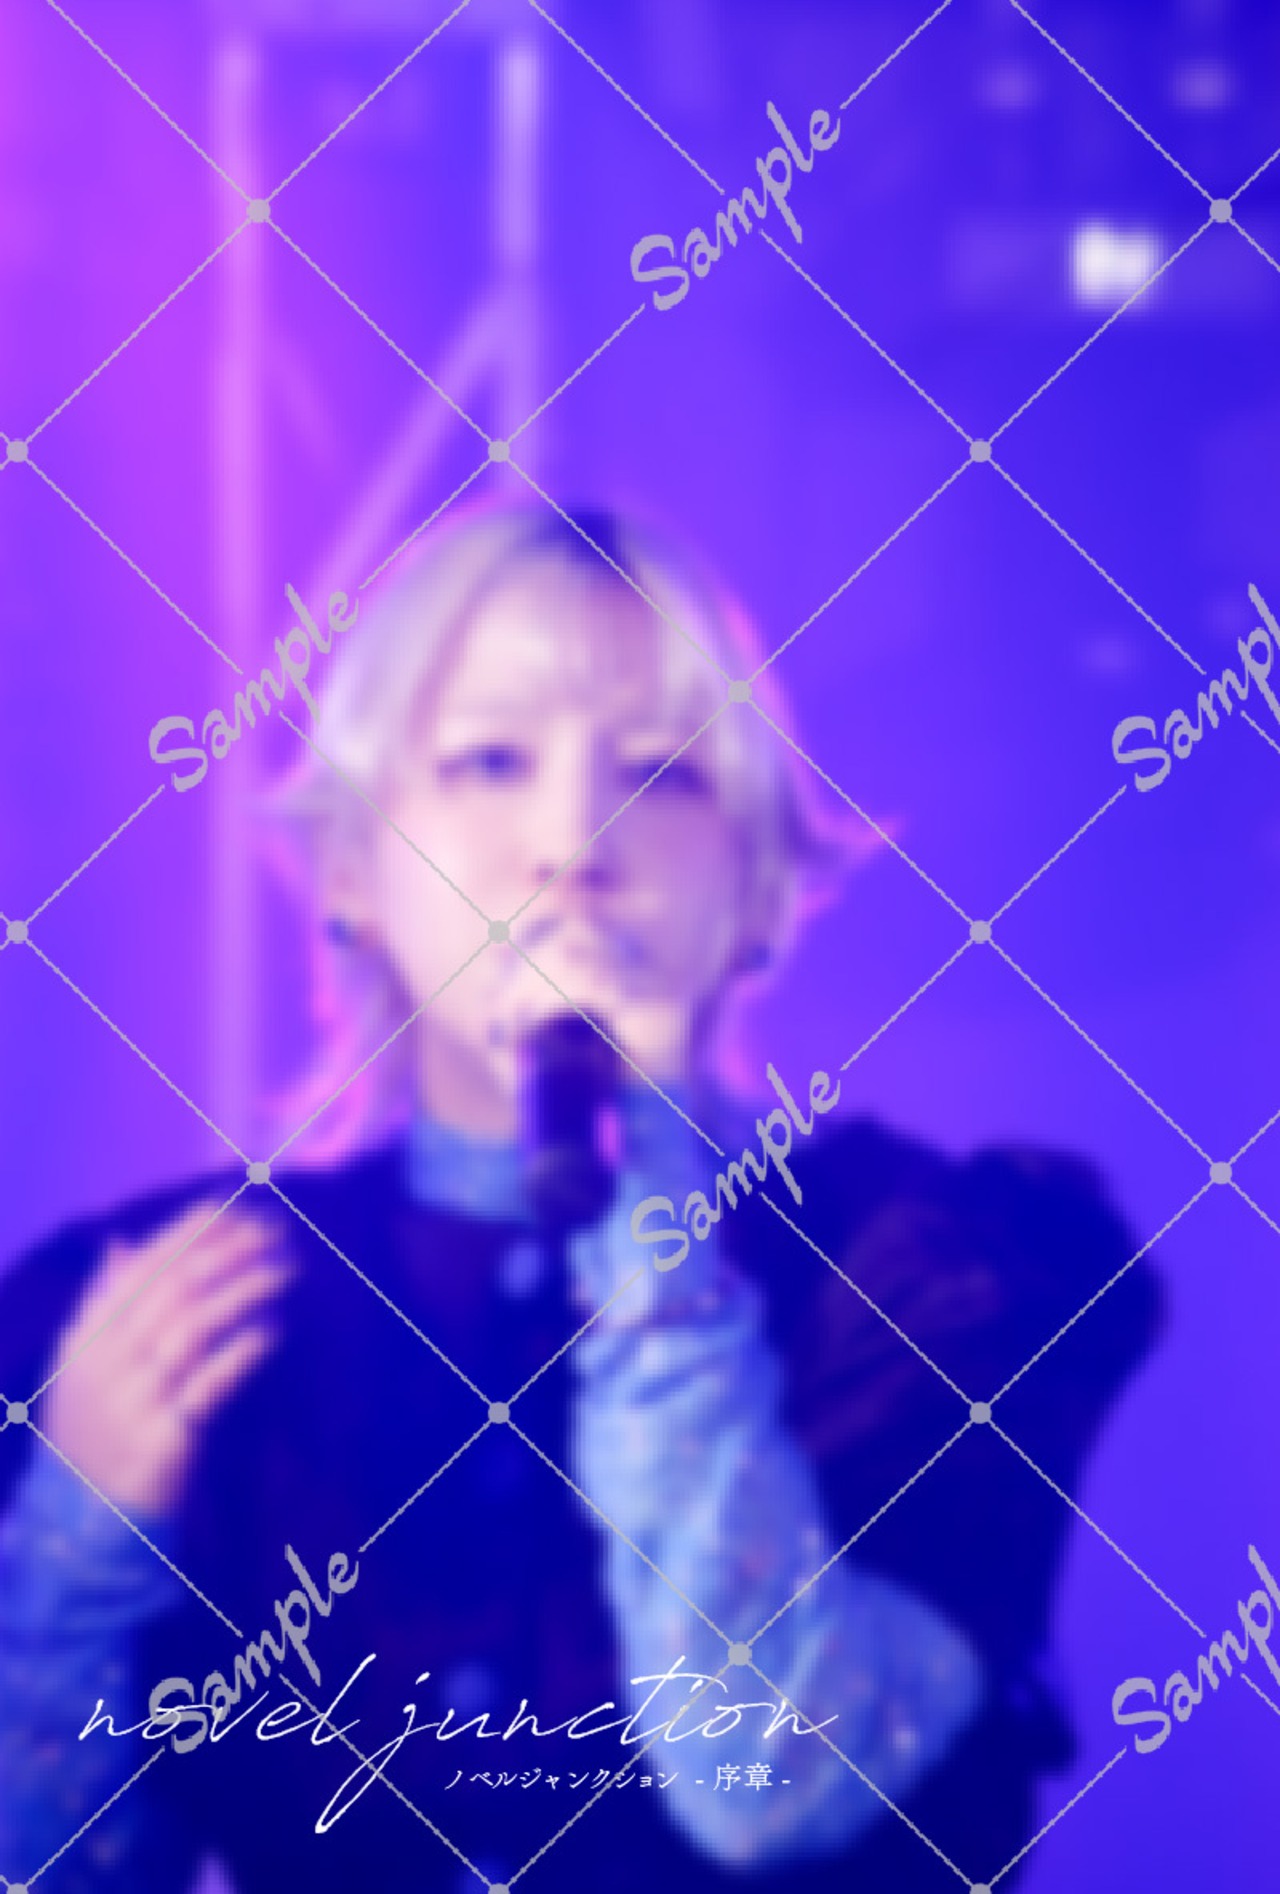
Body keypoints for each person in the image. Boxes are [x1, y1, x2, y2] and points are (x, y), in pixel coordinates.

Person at [0, 498, 1160, 1894]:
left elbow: (767, 1780)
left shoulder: (942, 1268)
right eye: (490, 760)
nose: (574, 839)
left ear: (762, 892)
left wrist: (649, 1196)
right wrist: (69, 1568)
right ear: (352, 871)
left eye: (660, 773)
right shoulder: (166, 1303)